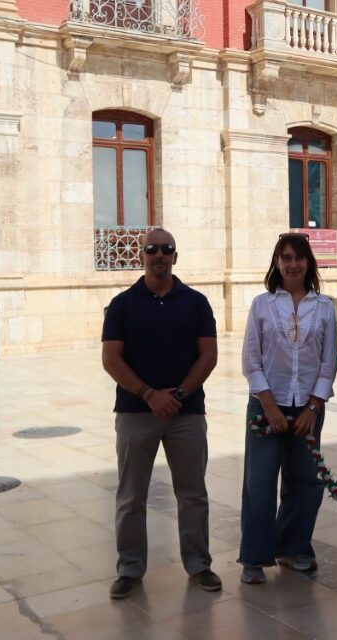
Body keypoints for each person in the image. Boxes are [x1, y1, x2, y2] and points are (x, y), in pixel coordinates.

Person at [101, 228, 221, 599]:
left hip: (187, 414)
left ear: (175, 256)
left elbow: (209, 354)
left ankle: (199, 564)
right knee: (131, 496)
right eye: (152, 249)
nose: (159, 255)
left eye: (166, 249)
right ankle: (129, 569)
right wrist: (149, 394)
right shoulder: (122, 305)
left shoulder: (196, 303)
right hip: (136, 412)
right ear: (142, 255)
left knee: (193, 494)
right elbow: (111, 358)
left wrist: (180, 394)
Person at [238, 233, 337, 584]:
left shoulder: (324, 307)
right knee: (259, 481)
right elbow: (251, 360)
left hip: (308, 408)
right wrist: (269, 406)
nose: (292, 264)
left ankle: (294, 548)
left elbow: (328, 363)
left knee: (306, 480)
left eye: (299, 257)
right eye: (286, 258)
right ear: (277, 263)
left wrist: (313, 407)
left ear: (309, 262)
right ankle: (254, 557)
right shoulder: (262, 305)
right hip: (266, 405)